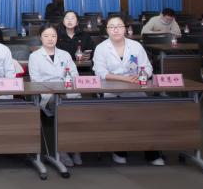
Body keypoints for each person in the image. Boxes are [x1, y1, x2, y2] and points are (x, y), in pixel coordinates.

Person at [93, 15, 163, 166]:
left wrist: (142, 74)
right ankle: (119, 150)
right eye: (112, 27)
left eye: (119, 26)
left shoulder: (136, 46)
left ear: (125, 28)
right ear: (107, 30)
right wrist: (124, 79)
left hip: (135, 88)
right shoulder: (101, 48)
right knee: (117, 116)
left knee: (146, 116)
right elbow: (100, 72)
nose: (116, 29)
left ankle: (151, 152)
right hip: (111, 89)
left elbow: (148, 68)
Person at [28, 24, 81, 167]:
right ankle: (62, 150)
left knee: (78, 109)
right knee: (63, 108)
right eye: (46, 36)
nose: (50, 39)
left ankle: (75, 148)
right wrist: (56, 90)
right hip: (48, 96)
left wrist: (66, 89)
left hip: (68, 93)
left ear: (57, 37)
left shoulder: (65, 55)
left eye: (53, 36)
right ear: (41, 38)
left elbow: (74, 76)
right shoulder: (34, 57)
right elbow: (36, 82)